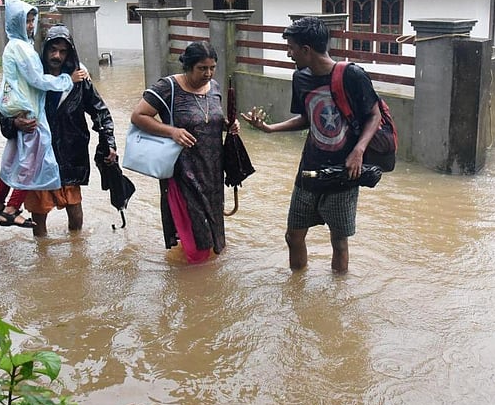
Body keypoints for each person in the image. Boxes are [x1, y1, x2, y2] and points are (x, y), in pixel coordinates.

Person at [241, 17, 381, 273]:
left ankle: (338, 290)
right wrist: (270, 128)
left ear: (306, 50)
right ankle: (297, 287)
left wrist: (358, 150)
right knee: (293, 236)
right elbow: (306, 119)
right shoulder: (300, 78)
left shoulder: (352, 75)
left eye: (291, 48)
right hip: (309, 169)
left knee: (339, 241)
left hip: (344, 171)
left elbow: (375, 115)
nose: (289, 54)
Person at [0, 25, 118, 237]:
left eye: (63, 51)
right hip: (38, 156)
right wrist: (15, 123)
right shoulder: (30, 76)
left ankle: (77, 249)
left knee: (75, 212)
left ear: (69, 53)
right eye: (53, 50)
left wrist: (108, 142)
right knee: (39, 215)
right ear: (44, 49)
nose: (57, 56)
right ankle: (42, 252)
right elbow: (5, 110)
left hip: (70, 155)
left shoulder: (79, 79)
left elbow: (100, 111)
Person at [130, 41, 238, 263]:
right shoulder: (168, 87)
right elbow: (138, 116)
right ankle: (194, 276)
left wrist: (228, 125)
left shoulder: (215, 88)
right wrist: (172, 131)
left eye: (212, 68)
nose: (208, 74)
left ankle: (201, 272)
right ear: (188, 66)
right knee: (196, 237)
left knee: (213, 232)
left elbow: (211, 120)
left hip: (212, 172)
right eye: (202, 68)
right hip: (182, 171)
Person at [0, 0, 86, 228]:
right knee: (29, 162)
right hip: (28, 114)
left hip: (68, 159)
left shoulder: (17, 48)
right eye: (26, 21)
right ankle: (11, 209)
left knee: (12, 160)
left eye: (33, 21)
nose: (57, 56)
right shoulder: (24, 51)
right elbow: (38, 80)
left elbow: (99, 110)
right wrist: (67, 80)